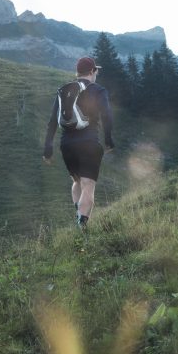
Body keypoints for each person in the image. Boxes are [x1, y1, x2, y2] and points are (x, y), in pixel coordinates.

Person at [43, 56, 114, 230]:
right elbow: (106, 115)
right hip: (89, 143)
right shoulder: (98, 90)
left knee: (77, 181)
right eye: (96, 71)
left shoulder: (64, 91)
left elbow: (52, 121)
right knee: (88, 185)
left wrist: (48, 149)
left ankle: (78, 215)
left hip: (67, 145)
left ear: (77, 72)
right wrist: (108, 140)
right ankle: (82, 227)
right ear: (92, 71)